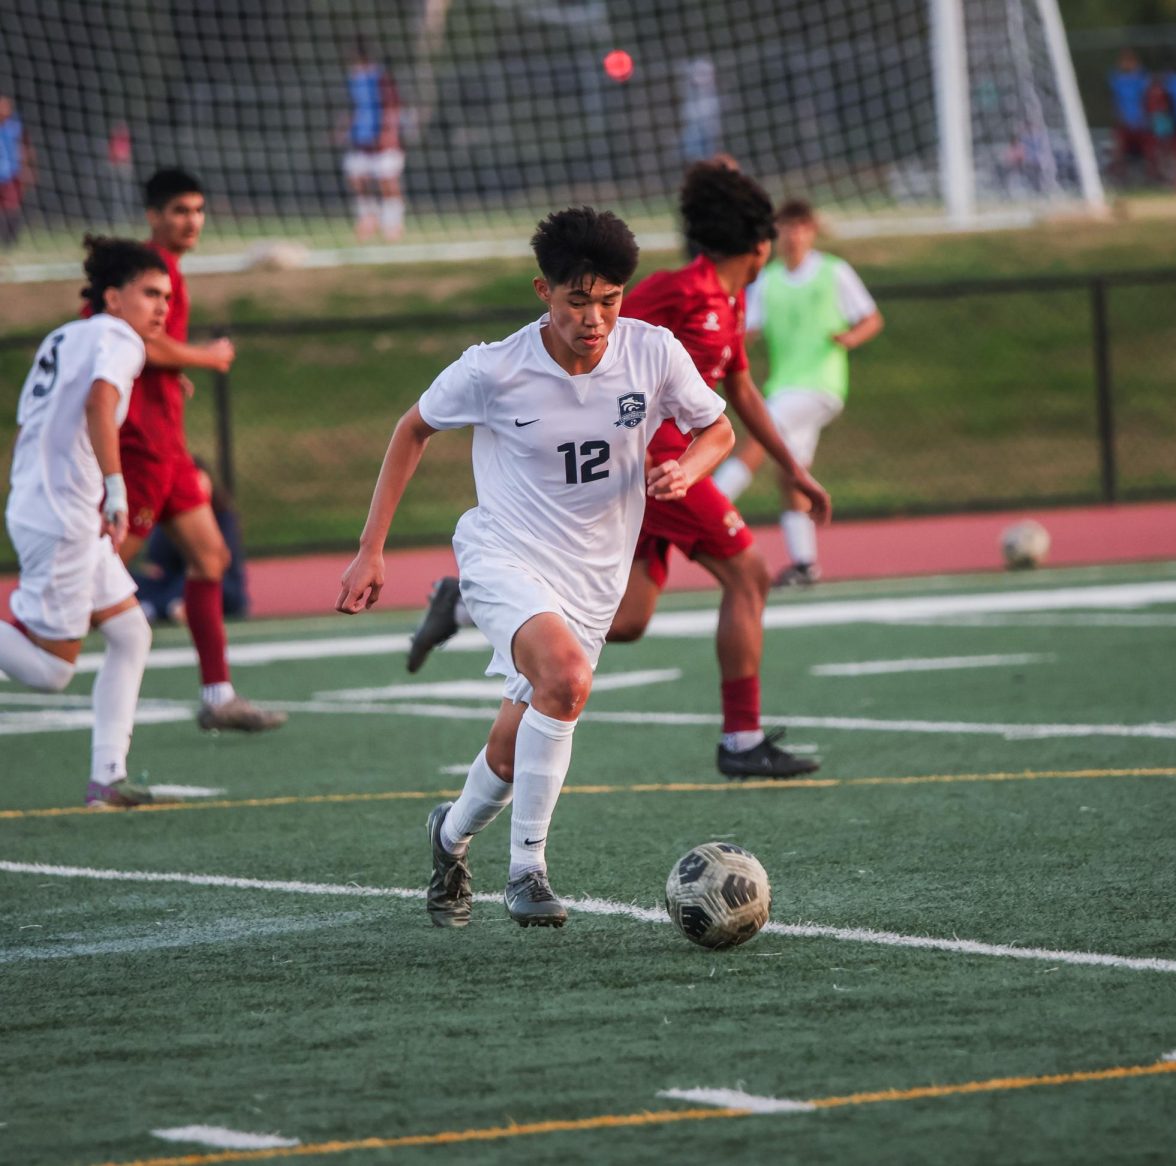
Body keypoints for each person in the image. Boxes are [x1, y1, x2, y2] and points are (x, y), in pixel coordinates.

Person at [337, 207, 733, 930]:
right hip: (502, 555)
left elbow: (717, 427)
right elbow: (412, 428)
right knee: (567, 681)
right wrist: (371, 548)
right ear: (542, 292)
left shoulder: (653, 353)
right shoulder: (494, 368)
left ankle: (448, 836)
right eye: (577, 300)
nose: (594, 318)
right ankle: (528, 871)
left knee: (510, 748)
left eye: (609, 300)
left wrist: (686, 467)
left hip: (591, 582)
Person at [407, 164, 830, 783]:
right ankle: (741, 738)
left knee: (625, 620)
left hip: (668, 475)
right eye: (589, 299)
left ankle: (465, 605)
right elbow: (604, 331)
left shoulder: (731, 301)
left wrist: (793, 467)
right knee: (750, 571)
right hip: (647, 465)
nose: (598, 311)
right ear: (762, 245)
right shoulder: (671, 293)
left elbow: (737, 388)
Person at [104, 167, 283, 731]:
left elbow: (148, 349)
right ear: (153, 215)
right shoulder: (141, 270)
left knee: (211, 558)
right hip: (142, 448)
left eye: (198, 210)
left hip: (171, 449)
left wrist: (170, 371)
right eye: (180, 210)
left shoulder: (168, 270)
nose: (191, 221)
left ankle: (218, 696)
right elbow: (126, 337)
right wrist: (203, 357)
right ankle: (29, 638)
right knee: (99, 569)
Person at [1, 237, 168, 808]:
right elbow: (101, 402)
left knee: (129, 632)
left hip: (49, 505)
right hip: (64, 515)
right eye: (150, 293)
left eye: (166, 296)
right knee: (51, 672)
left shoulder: (64, 336)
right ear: (114, 298)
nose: (162, 307)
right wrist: (115, 491)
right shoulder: (120, 338)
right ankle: (105, 779)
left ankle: (106, 778)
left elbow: (29, 426)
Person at [713, 198, 883, 587]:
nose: (794, 235)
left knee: (758, 435)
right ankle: (805, 565)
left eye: (802, 226)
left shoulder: (833, 272)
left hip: (821, 384)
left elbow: (871, 317)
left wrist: (850, 338)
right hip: (784, 386)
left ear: (812, 231)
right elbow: (747, 333)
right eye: (787, 227)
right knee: (790, 474)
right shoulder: (768, 280)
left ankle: (713, 505)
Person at [130, 458, 249, 624]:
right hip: (172, 582)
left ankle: (156, 608)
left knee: (195, 578)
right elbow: (158, 560)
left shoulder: (223, 517)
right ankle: (166, 607)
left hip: (218, 584)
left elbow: (217, 560)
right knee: (131, 582)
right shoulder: (169, 519)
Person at [342, 42, 405, 242]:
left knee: (387, 181)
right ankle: (368, 216)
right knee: (356, 177)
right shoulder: (354, 79)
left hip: (384, 141)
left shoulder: (381, 79)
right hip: (361, 140)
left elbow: (393, 106)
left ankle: (393, 223)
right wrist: (343, 129)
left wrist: (388, 132)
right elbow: (354, 107)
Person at [1108, 50, 1150, 185]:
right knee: (1119, 152)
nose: (1126, 65)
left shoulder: (1142, 79)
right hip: (1124, 123)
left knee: (1147, 152)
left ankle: (1148, 179)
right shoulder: (1118, 80)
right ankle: (1121, 181)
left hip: (1141, 123)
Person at [0, 93, 33, 250]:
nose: (5, 109)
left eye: (7, 106)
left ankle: (10, 240)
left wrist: (26, 169)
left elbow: (24, 149)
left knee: (12, 207)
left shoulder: (15, 127)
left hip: (12, 174)